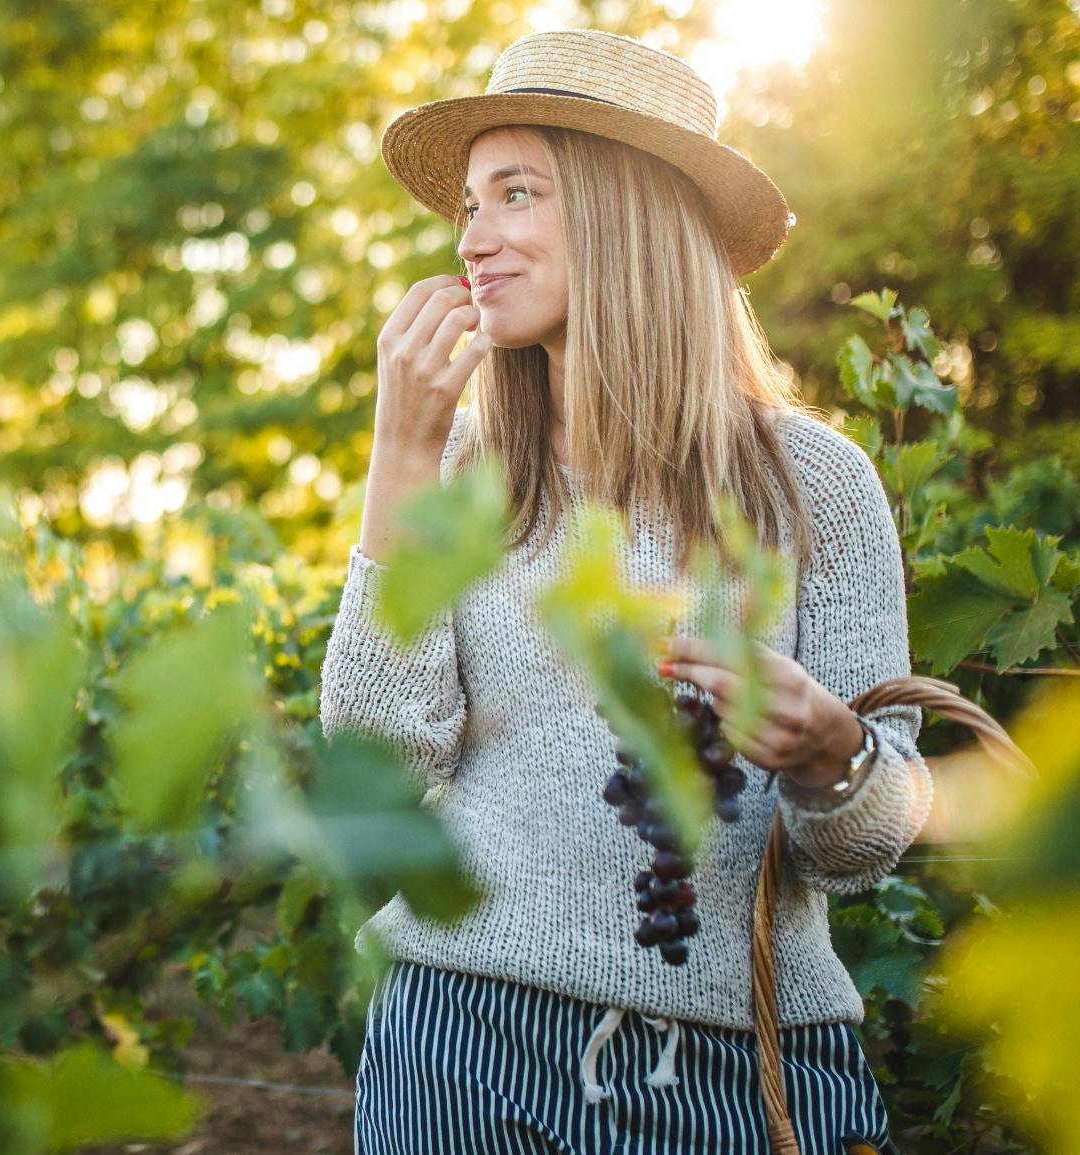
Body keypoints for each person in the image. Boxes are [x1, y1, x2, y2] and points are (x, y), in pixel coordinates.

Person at [320, 28, 929, 1154]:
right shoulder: (453, 471)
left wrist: (832, 749)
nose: (474, 240)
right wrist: (398, 459)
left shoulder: (817, 487)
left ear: (623, 212)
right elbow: (376, 765)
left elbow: (866, 848)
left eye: (514, 194)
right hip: (460, 1041)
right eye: (466, 205)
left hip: (746, 1067)